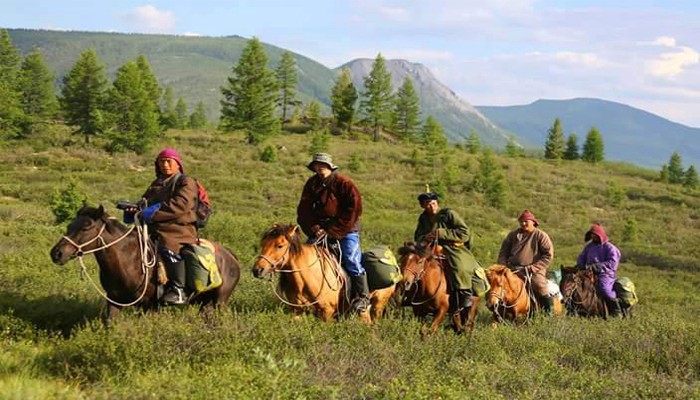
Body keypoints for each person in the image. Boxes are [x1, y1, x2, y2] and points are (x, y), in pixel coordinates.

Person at [296, 153, 369, 313]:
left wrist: (333, 231)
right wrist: (313, 227)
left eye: (323, 164)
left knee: (351, 259)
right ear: (314, 167)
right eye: (317, 164)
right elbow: (304, 210)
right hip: (319, 231)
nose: (320, 167)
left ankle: (362, 298)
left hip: (345, 230)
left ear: (330, 166)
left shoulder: (344, 183)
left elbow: (354, 209)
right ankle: (301, 298)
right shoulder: (311, 184)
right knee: (303, 260)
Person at [126, 147, 198, 305]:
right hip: (154, 228)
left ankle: (178, 289)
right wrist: (135, 209)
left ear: (177, 164)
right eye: (161, 162)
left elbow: (180, 205)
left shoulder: (186, 182)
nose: (165, 165)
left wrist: (152, 213)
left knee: (169, 247)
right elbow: (145, 202)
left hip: (178, 229)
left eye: (168, 161)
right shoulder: (156, 184)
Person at [413, 191, 479, 328]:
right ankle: (409, 294)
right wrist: (424, 238)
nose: (431, 206)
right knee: (411, 264)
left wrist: (441, 233)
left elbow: (464, 233)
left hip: (453, 249)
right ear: (423, 206)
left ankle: (465, 295)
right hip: (430, 249)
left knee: (460, 267)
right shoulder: (423, 218)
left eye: (433, 203)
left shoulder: (448, 214)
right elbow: (418, 236)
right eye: (427, 204)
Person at [497, 209, 555, 315]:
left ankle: (548, 314)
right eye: (521, 222)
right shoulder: (512, 235)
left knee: (539, 286)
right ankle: (497, 311)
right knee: (497, 284)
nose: (523, 224)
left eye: (526, 221)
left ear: (533, 222)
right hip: (513, 268)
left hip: (533, 270)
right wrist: (503, 265)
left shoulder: (540, 235)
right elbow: (503, 252)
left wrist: (532, 268)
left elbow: (548, 255)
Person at [576, 223, 622, 317]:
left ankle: (616, 311)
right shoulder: (589, 247)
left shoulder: (610, 248)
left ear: (600, 235)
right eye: (592, 235)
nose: (593, 237)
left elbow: (612, 263)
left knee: (604, 288)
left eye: (595, 235)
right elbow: (582, 257)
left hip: (605, 273)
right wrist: (580, 265)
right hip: (588, 272)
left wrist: (596, 267)